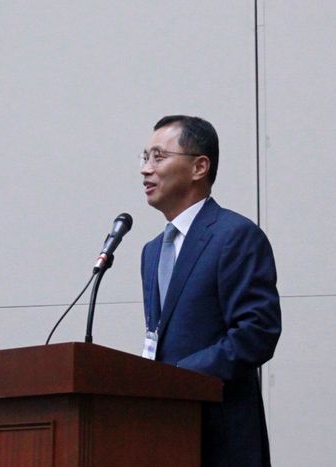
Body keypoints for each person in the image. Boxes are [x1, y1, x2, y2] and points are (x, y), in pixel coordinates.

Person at [140, 115, 281, 467]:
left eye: (159, 157)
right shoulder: (152, 251)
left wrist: (177, 376)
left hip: (223, 438)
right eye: (144, 157)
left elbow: (256, 333)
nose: (146, 169)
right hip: (167, 431)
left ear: (199, 167)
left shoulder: (234, 236)